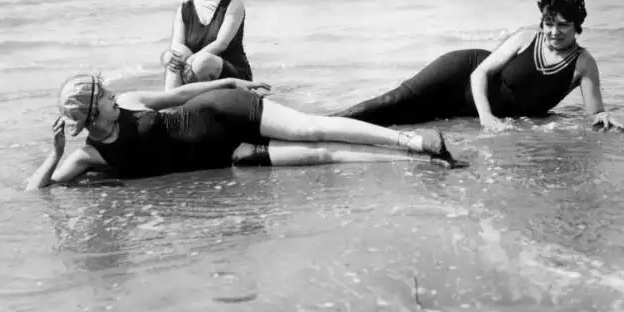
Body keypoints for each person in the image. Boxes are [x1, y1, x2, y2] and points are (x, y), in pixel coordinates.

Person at [24, 75, 465, 190]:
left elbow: (179, 96)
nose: (109, 92)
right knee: (321, 156)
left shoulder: (130, 101)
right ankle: (417, 160)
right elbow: (36, 191)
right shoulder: (87, 155)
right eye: (101, 93)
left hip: (223, 112)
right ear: (89, 111)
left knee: (310, 129)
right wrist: (55, 151)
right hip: (227, 155)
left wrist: (230, 84)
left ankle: (413, 141)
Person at [331, 0, 624, 132]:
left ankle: (329, 133)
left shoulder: (583, 63)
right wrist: (487, 119)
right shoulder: (527, 37)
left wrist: (602, 118)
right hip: (460, 75)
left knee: (401, 122)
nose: (553, 31)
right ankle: (320, 125)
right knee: (390, 104)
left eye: (563, 25)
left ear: (577, 27)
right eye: (549, 22)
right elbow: (479, 74)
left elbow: (593, 112)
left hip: (466, 109)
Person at [161, 0, 252, 91]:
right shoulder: (184, 10)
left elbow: (220, 44)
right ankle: (170, 109)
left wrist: (190, 63)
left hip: (234, 75)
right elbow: (177, 46)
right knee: (176, 57)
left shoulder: (233, 4)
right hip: (195, 75)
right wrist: (168, 57)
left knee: (203, 62)